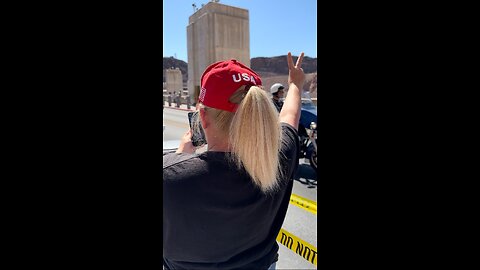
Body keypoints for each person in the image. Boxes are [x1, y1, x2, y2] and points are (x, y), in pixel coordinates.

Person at [163, 52, 305, 270]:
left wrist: (181, 156)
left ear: (202, 117)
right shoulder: (279, 159)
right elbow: (289, 119)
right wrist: (295, 84)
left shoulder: (170, 175)